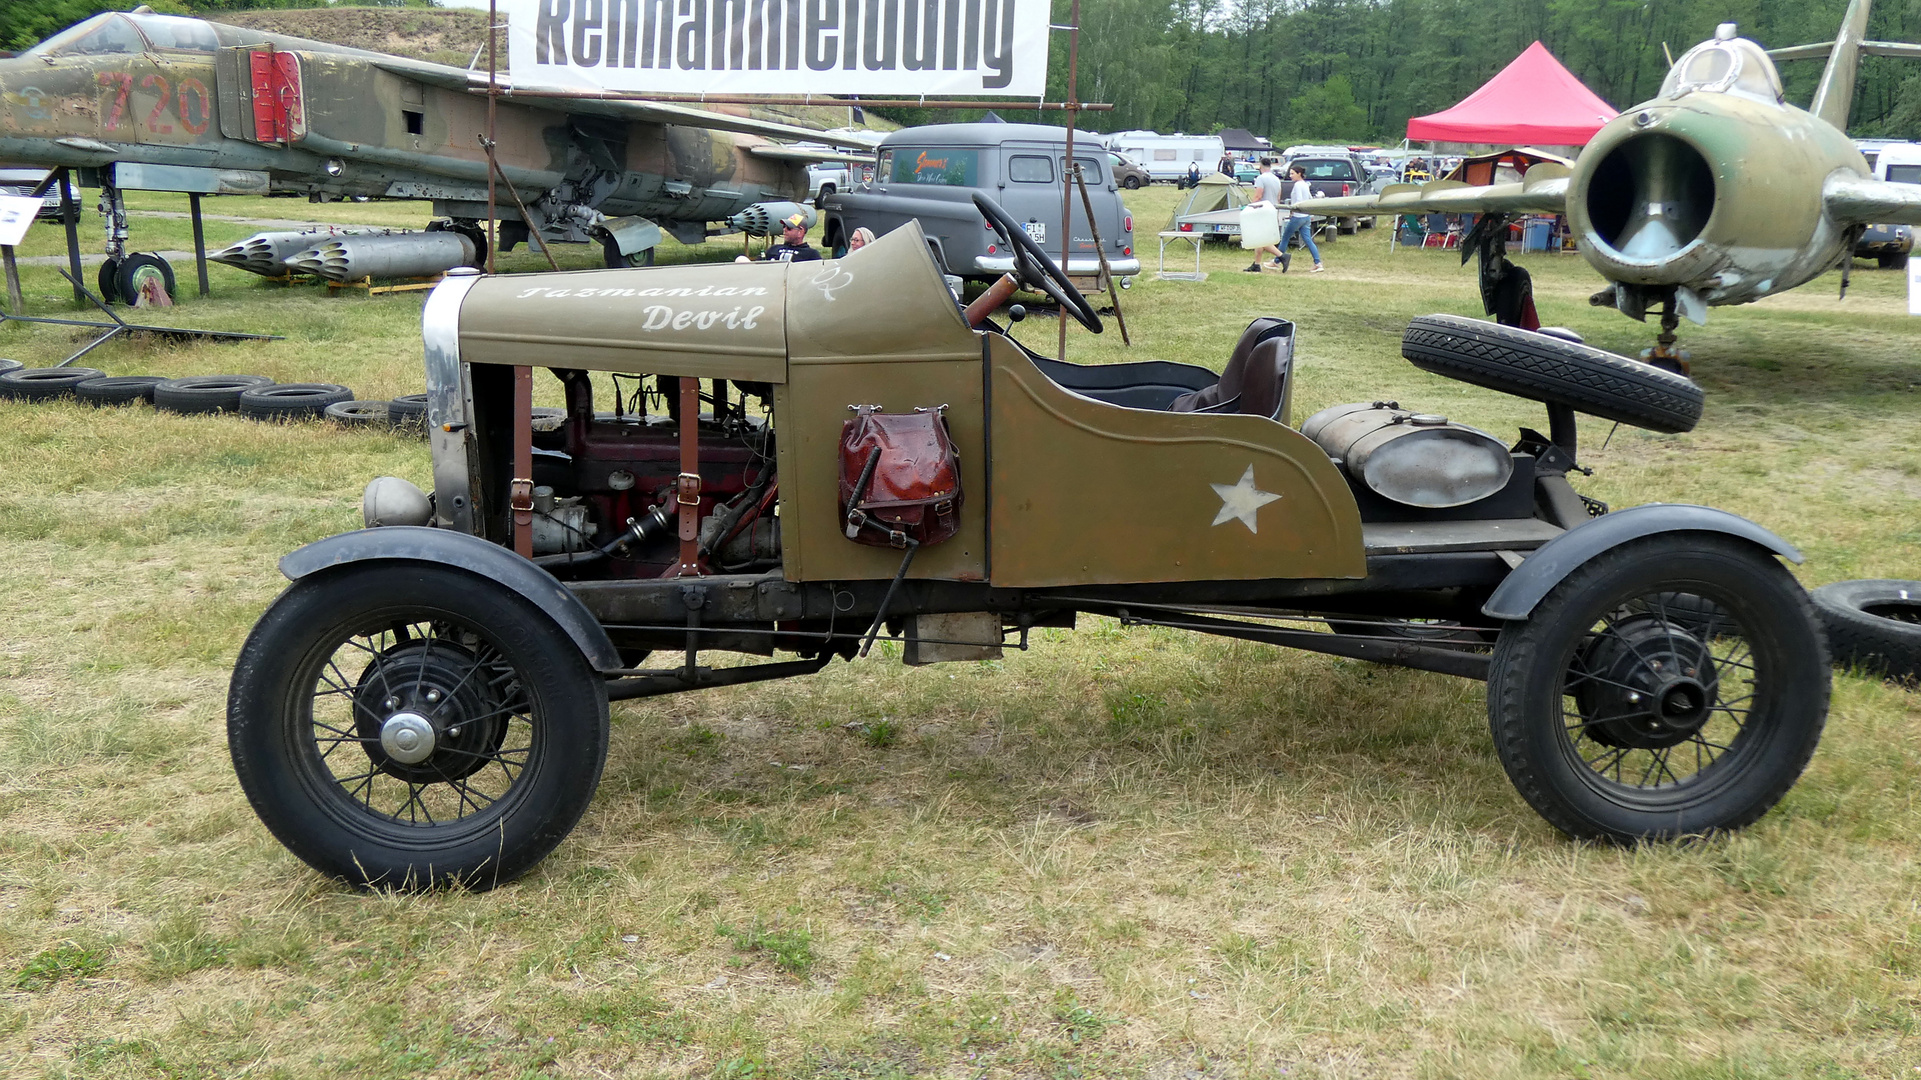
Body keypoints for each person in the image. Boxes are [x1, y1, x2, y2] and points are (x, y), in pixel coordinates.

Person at [1275, 164, 1324, 274]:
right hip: (1306, 216)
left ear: (1299, 174)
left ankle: (1276, 261)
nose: (1291, 176)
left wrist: (1293, 211)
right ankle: (1318, 263)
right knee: (1308, 240)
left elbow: (1299, 201)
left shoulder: (1297, 185)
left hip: (1298, 216)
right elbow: (1309, 199)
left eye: (1293, 173)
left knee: (1285, 238)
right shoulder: (1305, 184)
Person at [1243, 159, 1285, 273]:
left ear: (1260, 166)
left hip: (1262, 211)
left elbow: (1258, 195)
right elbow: (1278, 197)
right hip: (1272, 209)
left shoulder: (1261, 178)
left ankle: (1282, 256)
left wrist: (1250, 208)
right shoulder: (1276, 179)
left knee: (1260, 239)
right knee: (1260, 237)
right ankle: (1256, 264)